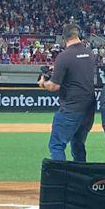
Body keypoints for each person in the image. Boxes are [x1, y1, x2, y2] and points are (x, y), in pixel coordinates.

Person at [39, 22, 96, 162]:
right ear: (79, 35)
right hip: (89, 108)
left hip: (71, 107)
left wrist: (43, 83)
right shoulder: (89, 54)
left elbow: (54, 86)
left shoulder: (64, 56)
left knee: (57, 145)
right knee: (78, 145)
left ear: (64, 38)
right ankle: (81, 178)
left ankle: (61, 180)